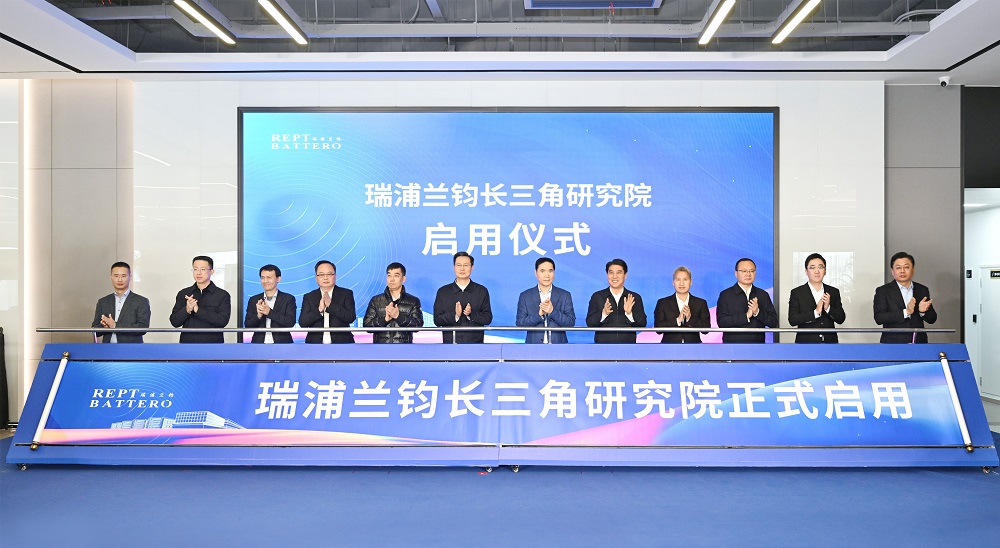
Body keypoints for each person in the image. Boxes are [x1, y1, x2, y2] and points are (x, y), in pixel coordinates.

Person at [873, 251, 937, 343]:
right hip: (893, 343)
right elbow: (879, 318)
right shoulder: (883, 291)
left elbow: (932, 319)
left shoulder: (922, 289)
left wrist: (922, 312)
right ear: (892, 271)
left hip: (918, 342)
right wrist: (906, 312)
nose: (902, 271)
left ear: (913, 270)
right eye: (898, 268)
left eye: (906, 267)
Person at [169, 255, 231, 343]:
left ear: (211, 272)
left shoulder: (222, 295)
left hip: (213, 345)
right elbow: (174, 322)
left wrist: (198, 310)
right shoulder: (184, 293)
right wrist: (187, 310)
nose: (198, 273)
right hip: (187, 344)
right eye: (195, 269)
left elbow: (222, 321)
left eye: (203, 269)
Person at [433, 252, 492, 343]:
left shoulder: (481, 291)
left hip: (476, 345)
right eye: (459, 265)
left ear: (472, 267)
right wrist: (455, 315)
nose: (462, 269)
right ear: (454, 267)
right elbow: (437, 320)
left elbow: (487, 318)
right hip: (450, 345)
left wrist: (471, 314)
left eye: (466, 265)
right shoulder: (443, 292)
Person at [716, 257, 778, 343]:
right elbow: (722, 322)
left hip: (758, 345)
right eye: (744, 271)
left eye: (751, 271)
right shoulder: (726, 295)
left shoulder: (763, 295)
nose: (748, 274)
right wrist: (746, 316)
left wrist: (757, 312)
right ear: (736, 273)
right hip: (732, 345)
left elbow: (773, 322)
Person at [515, 257, 576, 343]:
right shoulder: (525, 296)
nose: (547, 275)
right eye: (542, 271)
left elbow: (570, 323)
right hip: (533, 347)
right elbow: (520, 323)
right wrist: (538, 315)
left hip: (559, 346)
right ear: (535, 273)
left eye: (550, 271)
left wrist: (553, 311)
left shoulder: (565, 295)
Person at [788, 253, 846, 343]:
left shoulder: (833, 291)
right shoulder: (797, 292)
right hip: (805, 344)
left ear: (825, 271)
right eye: (812, 268)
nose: (817, 271)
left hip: (830, 343)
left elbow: (841, 319)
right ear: (806, 271)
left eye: (820, 267)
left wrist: (828, 308)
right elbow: (793, 320)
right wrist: (815, 313)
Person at [586, 258, 647, 343]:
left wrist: (629, 314)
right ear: (607, 274)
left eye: (619, 272)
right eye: (611, 272)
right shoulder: (597, 296)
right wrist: (603, 314)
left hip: (628, 346)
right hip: (602, 346)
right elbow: (590, 323)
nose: (614, 276)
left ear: (625, 275)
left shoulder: (634, 297)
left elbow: (642, 324)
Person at [363, 262, 423, 343]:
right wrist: (384, 320)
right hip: (380, 347)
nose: (392, 279)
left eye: (396, 276)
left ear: (403, 279)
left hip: (404, 348)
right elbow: (367, 325)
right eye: (389, 275)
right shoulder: (376, 300)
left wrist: (398, 317)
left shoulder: (413, 301)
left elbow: (418, 325)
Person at [91, 261, 150, 343]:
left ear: (130, 277)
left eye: (123, 276)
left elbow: (143, 328)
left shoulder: (141, 301)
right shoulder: (103, 302)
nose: (119, 280)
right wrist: (105, 326)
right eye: (116, 276)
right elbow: (95, 331)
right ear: (111, 277)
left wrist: (115, 325)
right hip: (107, 349)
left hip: (131, 348)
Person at [299, 260, 357, 343]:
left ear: (335, 276)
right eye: (321, 275)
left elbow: (350, 317)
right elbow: (303, 323)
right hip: (315, 345)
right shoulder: (309, 297)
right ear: (316, 278)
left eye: (329, 274)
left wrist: (331, 305)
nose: (325, 278)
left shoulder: (346, 294)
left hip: (342, 344)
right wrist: (319, 310)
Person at [653, 266, 710, 344]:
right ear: (673, 282)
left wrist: (690, 319)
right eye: (678, 279)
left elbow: (706, 329)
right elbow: (658, 329)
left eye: (685, 279)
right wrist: (677, 320)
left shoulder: (701, 303)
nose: (681, 283)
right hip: (669, 347)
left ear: (691, 282)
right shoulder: (663, 303)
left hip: (694, 347)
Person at [243, 264, 296, 343]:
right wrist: (258, 316)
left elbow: (290, 322)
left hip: (282, 344)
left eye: (269, 277)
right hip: (258, 344)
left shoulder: (288, 299)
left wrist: (269, 312)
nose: (265, 281)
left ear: (278, 279)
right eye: (262, 278)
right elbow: (248, 325)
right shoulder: (254, 300)